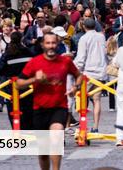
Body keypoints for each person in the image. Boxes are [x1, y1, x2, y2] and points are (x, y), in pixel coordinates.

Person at [16, 32, 83, 170]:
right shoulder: (35, 62)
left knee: (56, 137)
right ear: (43, 45)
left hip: (59, 107)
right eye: (48, 43)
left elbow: (79, 76)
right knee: (43, 153)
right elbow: (18, 84)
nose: (51, 46)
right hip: (40, 108)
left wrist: (75, 87)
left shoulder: (65, 61)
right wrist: (35, 79)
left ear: (57, 44)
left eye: (53, 43)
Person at [72, 17, 107, 129]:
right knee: (97, 100)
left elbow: (81, 57)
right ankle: (95, 126)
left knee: (81, 98)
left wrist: (75, 69)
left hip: (88, 73)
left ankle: (83, 125)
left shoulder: (84, 38)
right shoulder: (101, 37)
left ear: (83, 26)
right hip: (100, 72)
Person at [0, 31, 35, 130]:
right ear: (21, 39)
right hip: (27, 87)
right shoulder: (28, 52)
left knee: (13, 112)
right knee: (28, 112)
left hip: (12, 87)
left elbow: (0, 69)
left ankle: (17, 133)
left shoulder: (7, 54)